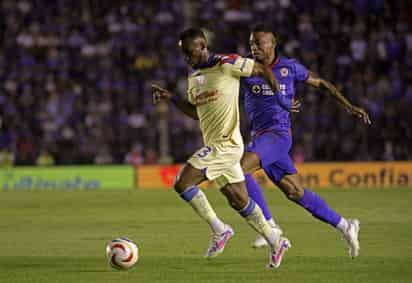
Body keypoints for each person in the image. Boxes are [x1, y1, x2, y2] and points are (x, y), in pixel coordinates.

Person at [151, 27, 290, 268]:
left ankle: (220, 229)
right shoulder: (194, 78)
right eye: (183, 55)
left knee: (182, 183)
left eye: (190, 53)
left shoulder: (228, 63)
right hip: (214, 144)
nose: (187, 59)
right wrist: (172, 98)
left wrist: (281, 98)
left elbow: (262, 69)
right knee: (238, 199)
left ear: (203, 47)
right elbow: (196, 113)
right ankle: (275, 240)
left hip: (227, 144)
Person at [240, 24, 371, 258]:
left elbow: (321, 83)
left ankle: (269, 226)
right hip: (261, 139)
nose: (254, 47)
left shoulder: (289, 68)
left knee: (239, 170)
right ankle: (346, 225)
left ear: (273, 43)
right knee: (295, 192)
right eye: (251, 43)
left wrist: (349, 106)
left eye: (259, 43)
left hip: (278, 136)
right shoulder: (246, 68)